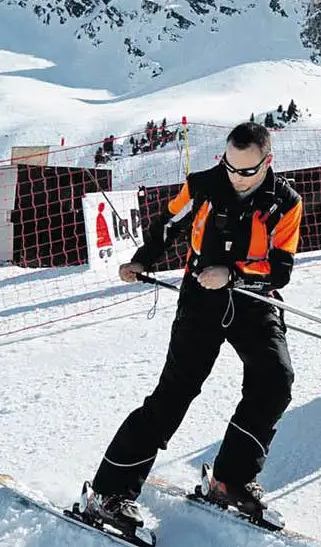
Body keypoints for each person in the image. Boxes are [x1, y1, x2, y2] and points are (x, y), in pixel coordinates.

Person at [81, 121, 303, 531]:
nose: (236, 177)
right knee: (174, 394)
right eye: (230, 166)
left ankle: (229, 480)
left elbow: (281, 269)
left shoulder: (285, 202)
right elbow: (166, 224)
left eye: (247, 170)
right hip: (202, 300)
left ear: (267, 162)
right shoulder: (203, 185)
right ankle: (109, 492)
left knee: (275, 379)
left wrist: (234, 276)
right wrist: (143, 260)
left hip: (253, 301)